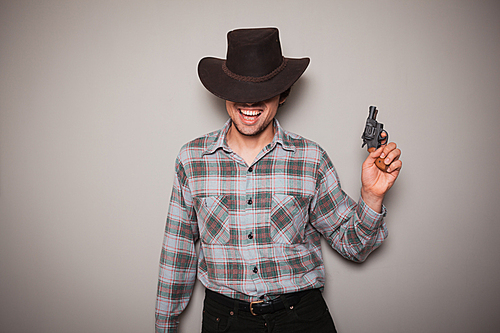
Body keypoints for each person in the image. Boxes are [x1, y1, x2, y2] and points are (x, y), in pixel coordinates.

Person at [155, 27, 402, 333]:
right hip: (226, 321)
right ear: (224, 91)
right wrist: (164, 325)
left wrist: (372, 196)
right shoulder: (192, 160)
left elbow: (355, 247)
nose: (250, 103)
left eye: (262, 90)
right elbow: (177, 251)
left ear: (283, 93)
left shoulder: (311, 159)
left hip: (301, 318)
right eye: (239, 90)